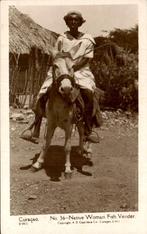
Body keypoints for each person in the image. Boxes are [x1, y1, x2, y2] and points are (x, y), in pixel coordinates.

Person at [21, 11, 100, 143]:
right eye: (70, 20)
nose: (73, 22)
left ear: (80, 23)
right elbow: (57, 55)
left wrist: (73, 67)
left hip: (81, 71)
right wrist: (64, 67)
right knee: (43, 92)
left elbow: (86, 59)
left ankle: (88, 129)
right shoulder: (62, 38)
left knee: (88, 94)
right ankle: (35, 128)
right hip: (63, 69)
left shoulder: (88, 40)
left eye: (76, 20)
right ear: (67, 22)